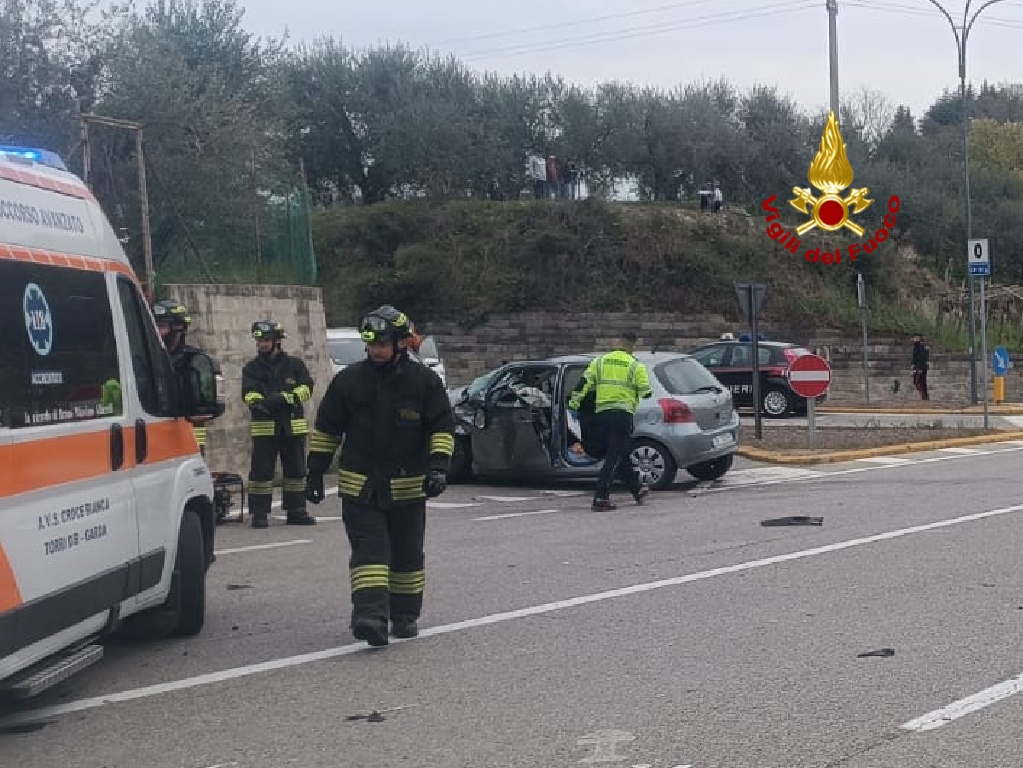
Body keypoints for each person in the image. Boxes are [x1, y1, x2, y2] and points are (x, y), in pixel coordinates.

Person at [304, 305, 455, 647]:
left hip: (407, 488)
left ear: (401, 343)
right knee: (369, 552)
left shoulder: (424, 383)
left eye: (382, 344)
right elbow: (328, 429)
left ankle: (405, 615)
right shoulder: (349, 381)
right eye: (371, 344)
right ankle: (370, 616)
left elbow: (441, 429)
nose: (376, 350)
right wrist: (314, 472)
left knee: (407, 555)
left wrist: (438, 468)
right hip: (361, 488)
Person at [241, 319, 317, 529]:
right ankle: (259, 513)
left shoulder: (295, 365)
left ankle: (296, 510)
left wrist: (287, 398)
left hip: (292, 427)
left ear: (277, 341)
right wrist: (261, 403)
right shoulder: (252, 368)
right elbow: (248, 393)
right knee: (261, 473)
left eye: (266, 340)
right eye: (259, 341)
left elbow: (307, 387)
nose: (262, 344)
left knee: (296, 471)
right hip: (265, 428)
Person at [568, 332, 653, 511]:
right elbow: (646, 391)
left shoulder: (599, 361)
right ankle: (600, 498)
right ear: (632, 346)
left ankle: (636, 489)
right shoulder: (635, 365)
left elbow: (583, 383)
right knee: (614, 457)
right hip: (622, 415)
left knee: (619, 453)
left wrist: (574, 404)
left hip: (602, 414)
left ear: (617, 343)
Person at [153, 299, 221, 456]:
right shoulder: (146, 360)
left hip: (189, 442)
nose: (156, 331)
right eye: (154, 325)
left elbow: (208, 401)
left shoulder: (195, 362)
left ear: (178, 328)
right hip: (155, 438)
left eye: (161, 326)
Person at [911, 333, 930, 400]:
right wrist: (913, 365)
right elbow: (915, 358)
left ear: (919, 338)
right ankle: (925, 396)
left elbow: (922, 358)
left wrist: (920, 368)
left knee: (918, 382)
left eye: (916, 337)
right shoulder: (916, 346)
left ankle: (925, 396)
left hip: (920, 367)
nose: (914, 339)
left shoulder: (920, 346)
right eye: (914, 337)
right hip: (918, 366)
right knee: (920, 382)